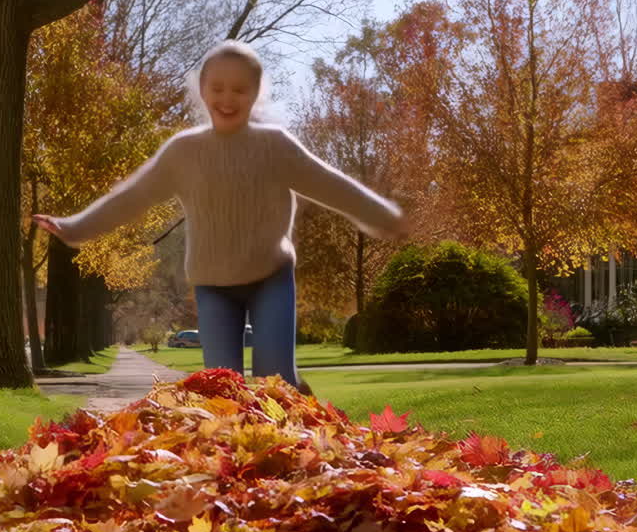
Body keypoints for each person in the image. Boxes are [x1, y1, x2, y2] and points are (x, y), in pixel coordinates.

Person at [33, 40, 412, 391]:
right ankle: (242, 459)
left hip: (271, 277)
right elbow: (131, 197)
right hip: (214, 286)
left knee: (273, 382)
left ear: (256, 93)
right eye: (218, 89)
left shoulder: (274, 146)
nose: (227, 99)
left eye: (239, 89)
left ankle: (295, 417)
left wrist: (383, 216)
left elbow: (332, 185)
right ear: (203, 91)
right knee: (223, 388)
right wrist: (76, 226)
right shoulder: (183, 152)